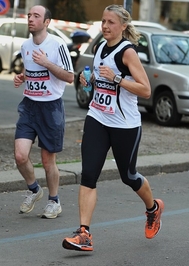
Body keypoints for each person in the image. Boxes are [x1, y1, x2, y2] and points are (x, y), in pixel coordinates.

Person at [62, 5, 164, 251]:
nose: (105, 26)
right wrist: (90, 81)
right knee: (88, 175)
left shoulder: (127, 52)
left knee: (128, 176)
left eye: (111, 22)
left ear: (123, 26)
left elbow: (146, 89)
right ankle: (84, 234)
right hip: (97, 118)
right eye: (103, 21)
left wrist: (117, 78)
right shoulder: (99, 48)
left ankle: (153, 208)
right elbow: (100, 81)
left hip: (124, 124)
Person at [13, 5, 74, 219]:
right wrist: (22, 77)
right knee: (20, 156)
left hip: (51, 108)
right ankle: (34, 190)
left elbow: (69, 77)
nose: (30, 19)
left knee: (48, 161)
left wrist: (47, 63)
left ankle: (54, 201)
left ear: (47, 22)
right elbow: (31, 71)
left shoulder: (57, 45)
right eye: (29, 15)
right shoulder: (25, 45)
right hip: (29, 106)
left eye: (36, 16)